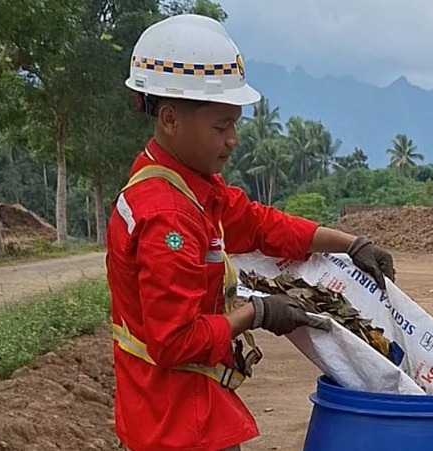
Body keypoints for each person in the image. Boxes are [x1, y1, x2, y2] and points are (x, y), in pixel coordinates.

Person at [106, 14, 395, 451]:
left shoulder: (191, 188)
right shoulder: (168, 216)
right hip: (174, 426)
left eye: (234, 124)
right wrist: (258, 314)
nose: (233, 139)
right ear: (169, 119)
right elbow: (175, 343)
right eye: (221, 126)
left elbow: (259, 224)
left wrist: (350, 243)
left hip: (189, 414)